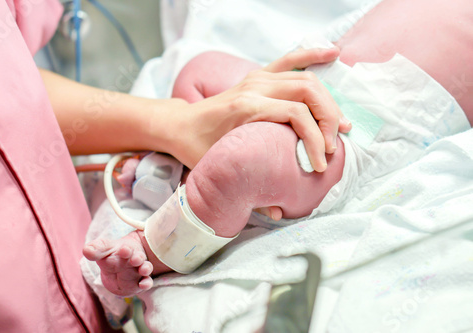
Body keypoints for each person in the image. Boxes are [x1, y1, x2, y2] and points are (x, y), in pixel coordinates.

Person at [0, 1, 348, 332]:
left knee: (203, 74)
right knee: (237, 158)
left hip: (332, 107)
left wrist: (171, 123)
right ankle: (160, 244)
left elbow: (5, 79)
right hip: (18, 290)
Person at [82, 0, 472, 298]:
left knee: (241, 162)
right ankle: (181, 163)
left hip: (352, 134)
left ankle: (154, 249)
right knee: (199, 69)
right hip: (298, 80)